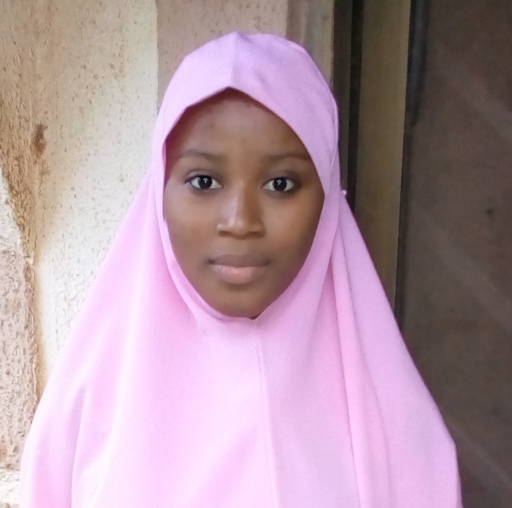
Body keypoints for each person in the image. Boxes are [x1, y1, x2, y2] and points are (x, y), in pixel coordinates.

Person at [20, 32, 462, 507]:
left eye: (281, 184)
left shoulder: (398, 430)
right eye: (204, 181)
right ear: (159, 190)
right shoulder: (79, 415)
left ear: (327, 197)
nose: (240, 221)